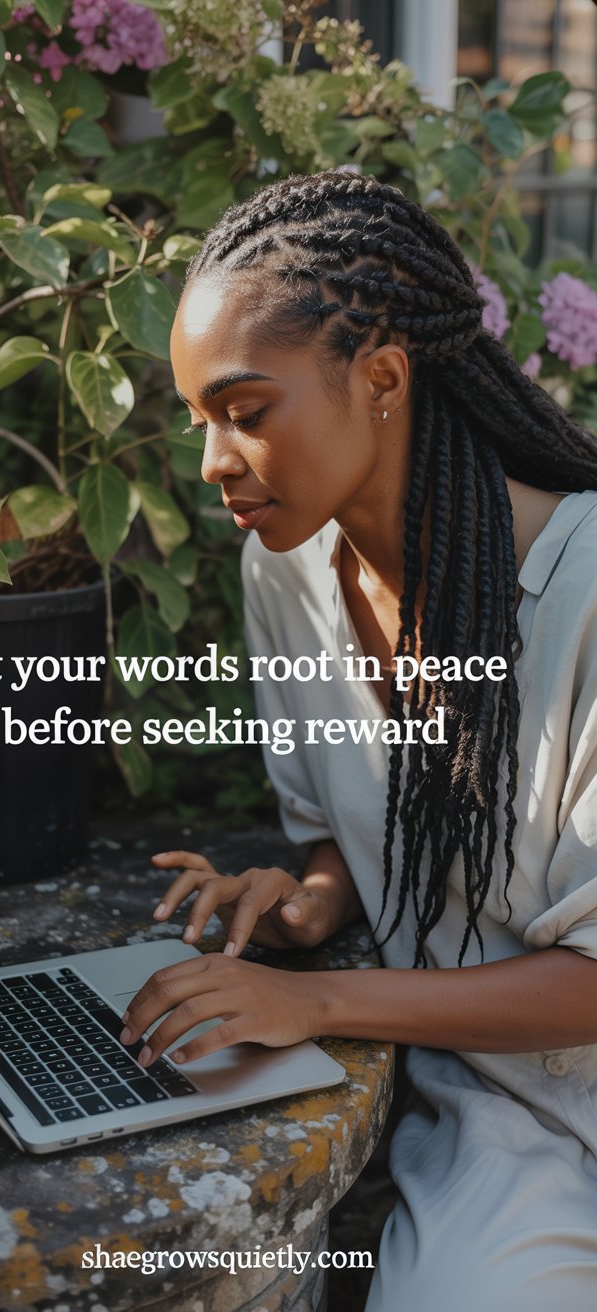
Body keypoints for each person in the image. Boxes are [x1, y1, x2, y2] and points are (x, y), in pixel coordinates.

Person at [118, 171, 597, 1309]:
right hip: (502, 1119)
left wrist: (320, 1000)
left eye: (245, 411)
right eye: (198, 421)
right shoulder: (285, 572)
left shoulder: (584, 594)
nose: (211, 463)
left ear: (381, 378)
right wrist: (317, 896)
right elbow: (353, 827)